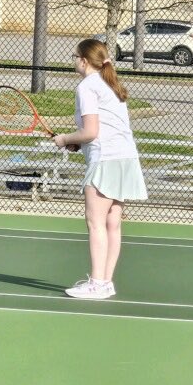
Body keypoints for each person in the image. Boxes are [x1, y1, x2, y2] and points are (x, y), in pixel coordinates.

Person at [53, 38, 147, 299]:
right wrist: (77, 142)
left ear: (84, 61)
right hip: (125, 157)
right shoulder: (110, 84)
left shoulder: (87, 86)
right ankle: (105, 283)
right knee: (112, 224)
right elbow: (101, 129)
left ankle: (97, 283)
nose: (73, 61)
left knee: (96, 223)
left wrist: (65, 139)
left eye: (75, 56)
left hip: (106, 160)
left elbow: (91, 131)